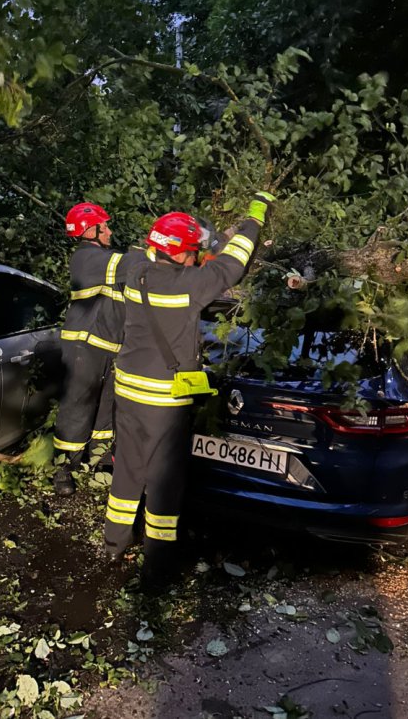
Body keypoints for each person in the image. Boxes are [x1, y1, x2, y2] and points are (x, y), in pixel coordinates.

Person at [103, 191, 276, 584]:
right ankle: (158, 563)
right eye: (193, 252)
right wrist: (254, 217)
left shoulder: (136, 271)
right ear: (182, 255)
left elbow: (179, 255)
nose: (197, 257)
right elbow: (234, 263)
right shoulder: (192, 285)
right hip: (164, 397)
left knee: (128, 466)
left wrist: (204, 240)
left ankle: (114, 542)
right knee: (164, 478)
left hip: (127, 388)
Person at [52, 203, 125, 496]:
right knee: (77, 407)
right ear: (88, 231)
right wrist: (162, 249)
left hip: (109, 347)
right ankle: (63, 469)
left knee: (106, 407)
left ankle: (98, 461)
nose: (108, 230)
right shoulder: (87, 257)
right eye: (103, 226)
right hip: (84, 344)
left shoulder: (104, 258)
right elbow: (130, 265)